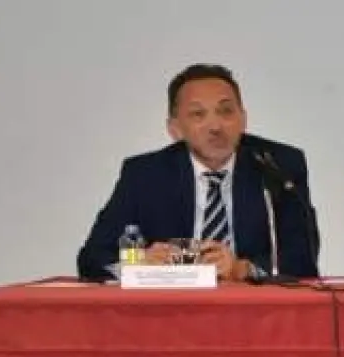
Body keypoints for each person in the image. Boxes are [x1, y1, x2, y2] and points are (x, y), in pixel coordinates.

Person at [77, 64, 320, 281]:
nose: (215, 126)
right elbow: (92, 258)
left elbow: (304, 256)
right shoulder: (145, 174)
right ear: (175, 128)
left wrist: (243, 268)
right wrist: (138, 262)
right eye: (198, 114)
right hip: (171, 309)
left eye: (226, 111)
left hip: (253, 309)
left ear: (243, 118)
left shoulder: (276, 164)